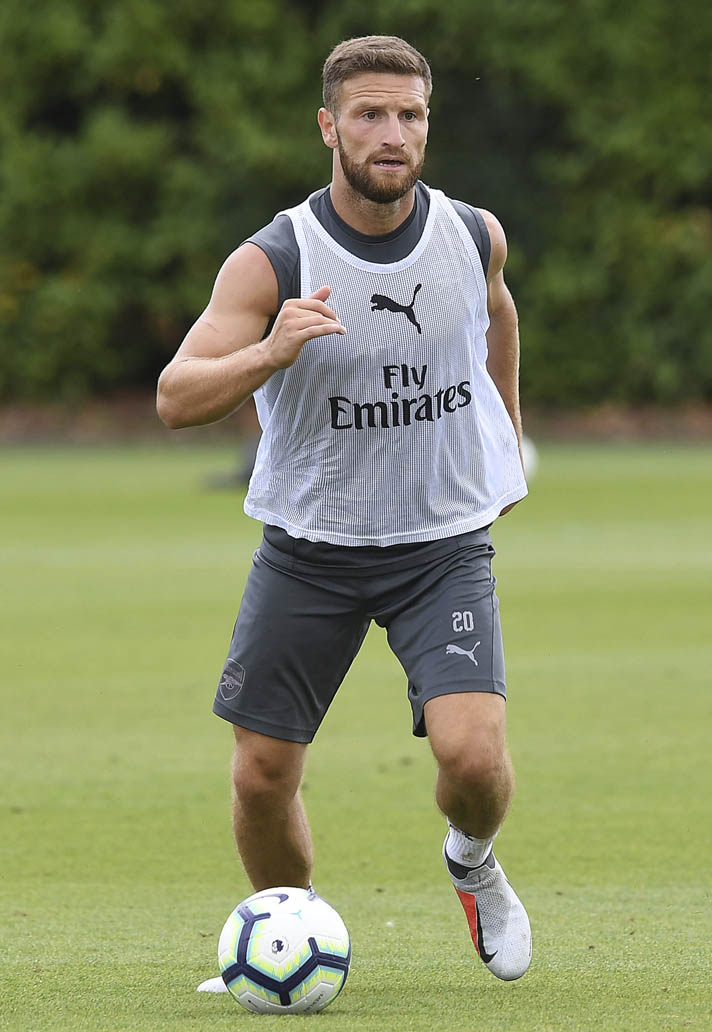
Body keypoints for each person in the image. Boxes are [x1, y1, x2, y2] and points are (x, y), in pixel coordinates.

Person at [156, 34, 532, 987]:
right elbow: (175, 397)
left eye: (410, 114)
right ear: (329, 127)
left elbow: (496, 314)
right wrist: (269, 353)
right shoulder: (276, 258)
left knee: (474, 762)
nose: (392, 133)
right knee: (260, 776)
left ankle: (472, 861)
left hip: (441, 546)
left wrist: (505, 437)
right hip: (310, 549)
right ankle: (290, 939)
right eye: (370, 114)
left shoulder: (473, 234)